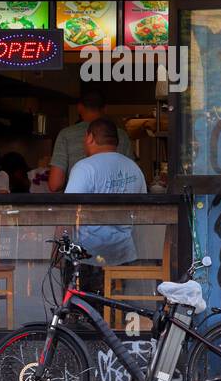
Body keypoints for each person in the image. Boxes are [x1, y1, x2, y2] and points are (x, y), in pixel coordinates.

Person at [65, 118, 147, 285]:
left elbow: (67, 210)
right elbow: (143, 212)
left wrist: (58, 250)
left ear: (89, 137)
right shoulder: (133, 168)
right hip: (123, 254)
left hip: (88, 256)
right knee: (116, 308)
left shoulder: (84, 167)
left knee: (79, 308)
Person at [48, 91, 133, 192]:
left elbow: (55, 184)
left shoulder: (66, 135)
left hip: (79, 203)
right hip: (118, 203)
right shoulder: (122, 135)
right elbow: (131, 177)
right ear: (105, 108)